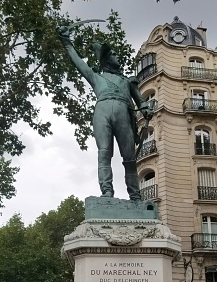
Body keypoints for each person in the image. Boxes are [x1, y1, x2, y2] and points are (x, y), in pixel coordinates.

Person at [57, 26, 152, 201]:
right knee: (104, 153)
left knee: (129, 158)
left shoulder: (127, 80)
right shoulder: (96, 77)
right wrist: (66, 42)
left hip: (124, 114)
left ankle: (135, 195)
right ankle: (107, 191)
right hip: (102, 113)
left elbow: (141, 101)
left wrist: (146, 108)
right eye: (114, 54)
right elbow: (78, 62)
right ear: (107, 59)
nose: (118, 57)